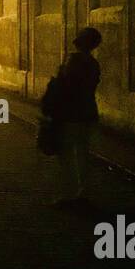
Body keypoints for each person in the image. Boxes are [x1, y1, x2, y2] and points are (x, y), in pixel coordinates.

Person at [49, 26, 102, 204]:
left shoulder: (73, 61)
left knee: (66, 154)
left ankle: (69, 193)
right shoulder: (94, 64)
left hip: (71, 113)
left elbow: (65, 86)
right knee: (82, 153)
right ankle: (83, 192)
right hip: (87, 112)